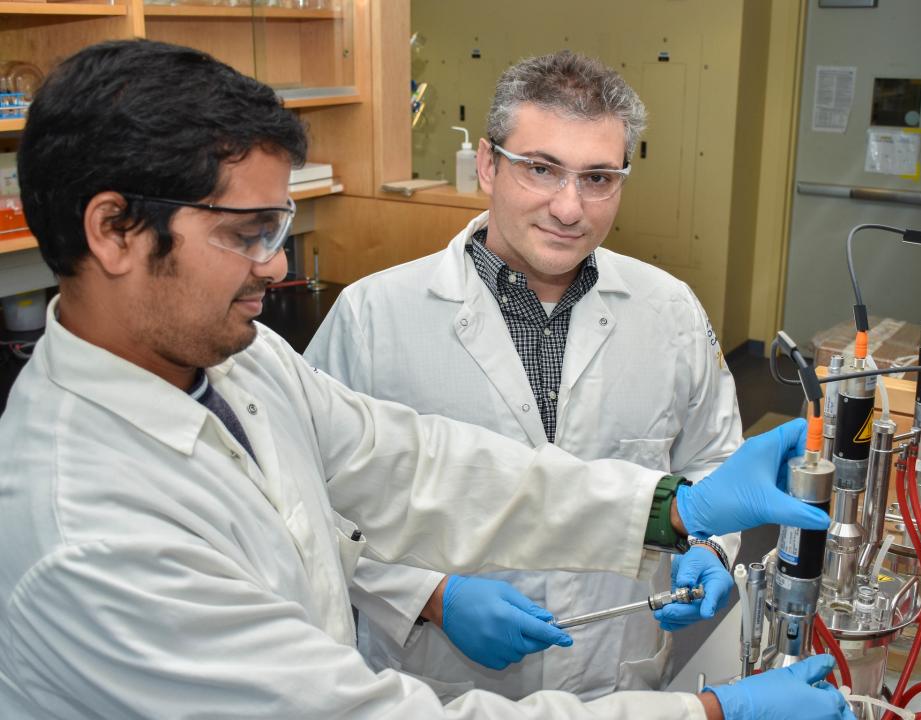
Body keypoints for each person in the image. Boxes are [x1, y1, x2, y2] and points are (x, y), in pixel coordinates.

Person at [0, 39, 852, 720]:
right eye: (247, 233)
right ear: (114, 229)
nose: (278, 265)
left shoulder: (238, 358)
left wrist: (677, 511)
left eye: (280, 226)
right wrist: (708, 714)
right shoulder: (89, 532)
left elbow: (421, 467)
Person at [307, 50, 737, 700]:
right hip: (438, 682)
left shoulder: (669, 309)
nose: (570, 208)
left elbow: (716, 457)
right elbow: (311, 501)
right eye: (541, 169)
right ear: (487, 164)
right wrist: (431, 595)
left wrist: (711, 550)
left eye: (598, 178)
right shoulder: (373, 316)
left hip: (616, 674)